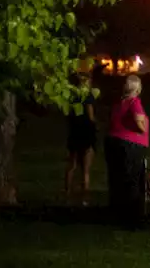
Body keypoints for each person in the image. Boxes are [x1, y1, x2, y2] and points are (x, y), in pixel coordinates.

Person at [105, 74, 149, 225]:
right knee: (132, 179)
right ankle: (132, 216)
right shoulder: (134, 102)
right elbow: (138, 120)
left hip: (113, 141)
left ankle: (116, 211)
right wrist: (143, 130)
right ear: (137, 88)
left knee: (116, 178)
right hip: (131, 144)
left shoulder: (118, 103)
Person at [64, 72, 97, 206]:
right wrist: (96, 124)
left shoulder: (71, 97)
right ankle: (85, 197)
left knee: (72, 164)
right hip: (86, 133)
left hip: (74, 132)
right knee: (86, 169)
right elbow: (90, 116)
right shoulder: (87, 97)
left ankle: (66, 191)